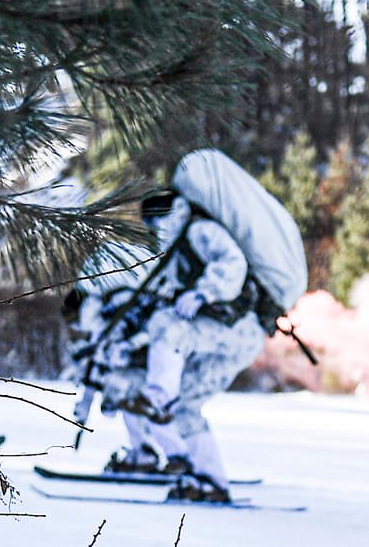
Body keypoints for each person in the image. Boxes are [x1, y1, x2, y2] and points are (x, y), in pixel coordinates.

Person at [83, 187, 268, 504]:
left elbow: (232, 262)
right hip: (214, 339)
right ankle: (209, 480)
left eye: (154, 222)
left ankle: (157, 397)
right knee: (184, 408)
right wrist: (131, 341)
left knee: (168, 328)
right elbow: (160, 315)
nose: (153, 231)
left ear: (167, 214)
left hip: (237, 329)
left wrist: (204, 293)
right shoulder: (172, 255)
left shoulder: (199, 231)